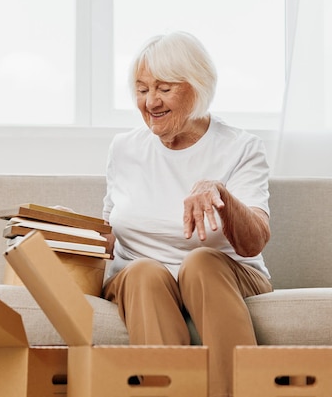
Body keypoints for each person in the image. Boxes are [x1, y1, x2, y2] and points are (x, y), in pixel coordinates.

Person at [101, 31, 273, 397]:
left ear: (198, 86)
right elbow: (109, 229)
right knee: (145, 272)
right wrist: (65, 233)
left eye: (164, 88)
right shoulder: (124, 148)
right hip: (138, 278)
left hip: (226, 274)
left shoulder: (241, 147)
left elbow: (254, 240)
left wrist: (221, 194)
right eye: (142, 89)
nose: (150, 102)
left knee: (200, 263)